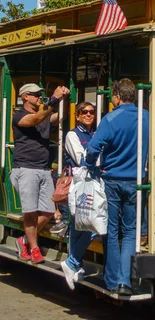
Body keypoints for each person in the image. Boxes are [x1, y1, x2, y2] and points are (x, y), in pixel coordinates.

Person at [85, 79, 149, 296]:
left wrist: (90, 164)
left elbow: (93, 148)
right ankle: (125, 281)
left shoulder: (110, 118)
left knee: (111, 231)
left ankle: (111, 281)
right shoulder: (147, 117)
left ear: (117, 96)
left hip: (111, 180)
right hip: (136, 181)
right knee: (131, 231)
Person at [10, 82, 70, 264]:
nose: (38, 96)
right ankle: (35, 249)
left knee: (49, 211)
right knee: (30, 213)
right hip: (25, 169)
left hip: (43, 169)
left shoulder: (44, 115)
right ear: (24, 97)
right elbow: (36, 119)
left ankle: (25, 240)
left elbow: (60, 116)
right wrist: (54, 98)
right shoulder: (19, 116)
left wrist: (64, 99)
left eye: (40, 94)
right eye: (35, 94)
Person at [60, 101, 96, 290]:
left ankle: (73, 264)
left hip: (92, 185)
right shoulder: (72, 135)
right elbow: (81, 158)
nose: (88, 115)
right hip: (78, 185)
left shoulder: (95, 133)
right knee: (86, 226)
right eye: (85, 112)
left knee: (83, 226)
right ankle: (73, 263)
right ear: (77, 115)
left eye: (91, 112)